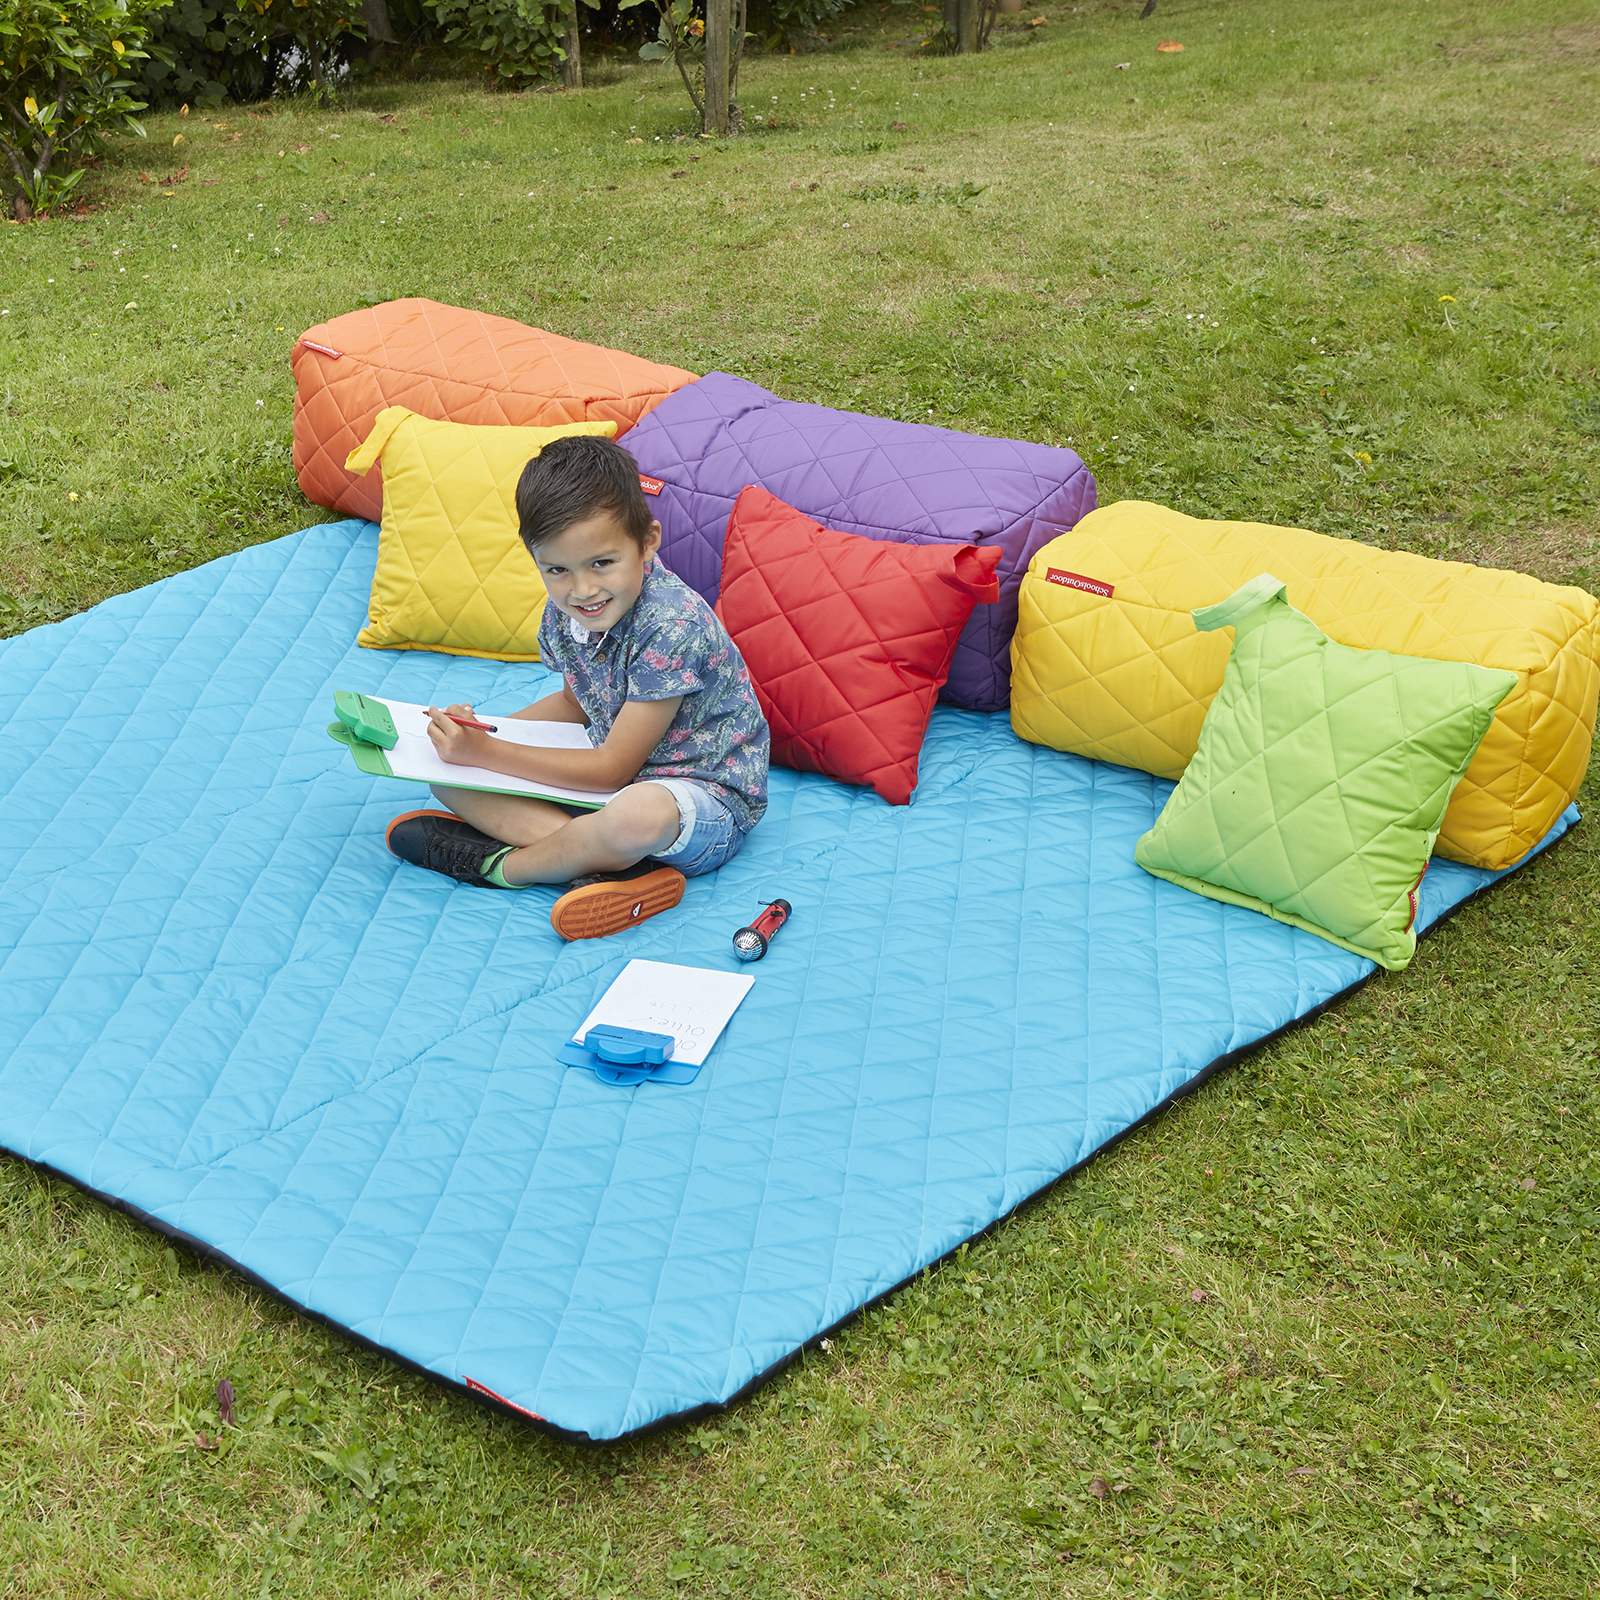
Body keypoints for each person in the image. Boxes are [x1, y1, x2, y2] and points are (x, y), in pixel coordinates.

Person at [385, 435, 770, 940]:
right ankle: (618, 872)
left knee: (636, 815)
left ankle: (503, 867)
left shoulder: (672, 627)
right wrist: (481, 735)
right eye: (557, 570)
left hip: (697, 802)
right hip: (610, 795)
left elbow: (612, 769)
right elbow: (576, 702)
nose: (583, 590)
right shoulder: (568, 614)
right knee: (447, 775)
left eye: (602, 563)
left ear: (647, 541)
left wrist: (490, 752)